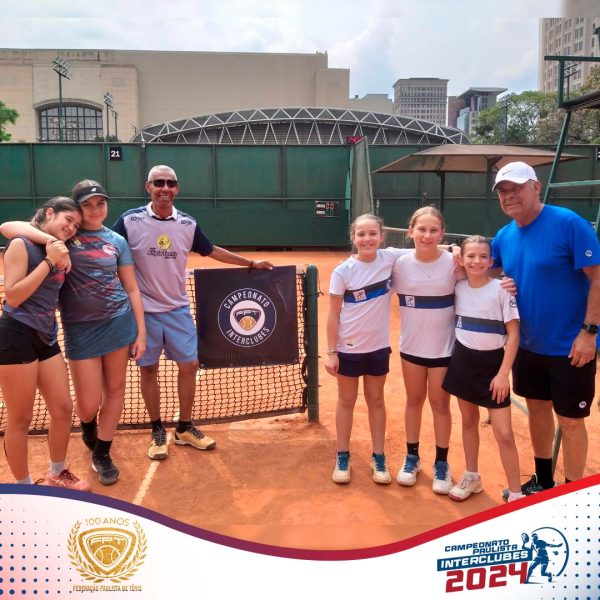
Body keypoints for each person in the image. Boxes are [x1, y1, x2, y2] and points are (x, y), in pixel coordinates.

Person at [112, 165, 273, 460]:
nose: (164, 188)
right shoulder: (129, 221)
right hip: (143, 313)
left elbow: (211, 250)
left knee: (189, 365)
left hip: (177, 310)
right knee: (148, 370)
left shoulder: (187, 224)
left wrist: (250, 263)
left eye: (170, 183)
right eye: (158, 182)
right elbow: (108, 250)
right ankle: (157, 428)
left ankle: (184, 428)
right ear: (148, 187)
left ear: (177, 188)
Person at [1, 181, 147, 486]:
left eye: (100, 203)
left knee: (78, 402)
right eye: (81, 209)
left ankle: (79, 463)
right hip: (39, 334)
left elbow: (130, 287)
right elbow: (9, 229)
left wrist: (141, 331)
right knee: (42, 413)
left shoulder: (108, 241)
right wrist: (52, 251)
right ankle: (28, 485)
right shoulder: (47, 241)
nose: (93, 211)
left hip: (75, 331)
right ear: (54, 213)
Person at [491, 161, 600, 496]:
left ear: (536, 187)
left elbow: (597, 277)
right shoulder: (503, 236)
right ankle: (543, 481)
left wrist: (589, 332)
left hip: (570, 346)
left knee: (570, 421)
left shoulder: (568, 222)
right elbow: (486, 272)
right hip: (527, 345)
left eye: (516, 188)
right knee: (537, 411)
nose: (509, 196)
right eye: (503, 191)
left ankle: (572, 494)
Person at [0, 197, 89, 491]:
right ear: (50, 213)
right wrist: (50, 261)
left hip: (46, 336)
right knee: (21, 418)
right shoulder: (21, 245)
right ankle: (24, 488)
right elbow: (14, 296)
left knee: (62, 408)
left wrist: (59, 252)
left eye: (76, 225)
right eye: (68, 220)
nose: (72, 228)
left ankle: (57, 472)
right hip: (16, 336)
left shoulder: (61, 248)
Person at [442, 236, 523, 502]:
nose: (476, 261)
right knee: (468, 421)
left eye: (483, 256)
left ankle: (516, 493)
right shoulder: (458, 286)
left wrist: (502, 375)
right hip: (463, 361)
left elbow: (514, 334)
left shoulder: (502, 289)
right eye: (470, 256)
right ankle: (472, 477)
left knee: (504, 433)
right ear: (461, 260)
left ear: (491, 261)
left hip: (493, 368)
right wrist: (453, 250)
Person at [325, 213, 405, 484]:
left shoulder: (389, 258)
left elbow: (423, 248)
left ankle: (378, 456)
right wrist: (331, 352)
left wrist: (454, 251)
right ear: (353, 238)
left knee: (376, 401)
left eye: (372, 233)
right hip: (348, 348)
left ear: (381, 236)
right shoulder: (343, 271)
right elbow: (333, 314)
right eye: (361, 234)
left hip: (378, 347)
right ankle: (342, 455)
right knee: (346, 401)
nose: (367, 239)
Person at [392, 207, 459, 494]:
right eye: (421, 229)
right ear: (411, 231)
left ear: (442, 233)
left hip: (444, 349)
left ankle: (442, 463)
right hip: (411, 347)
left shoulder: (455, 262)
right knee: (414, 400)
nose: (427, 235)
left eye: (434, 230)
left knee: (440, 405)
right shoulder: (399, 263)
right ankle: (412, 458)